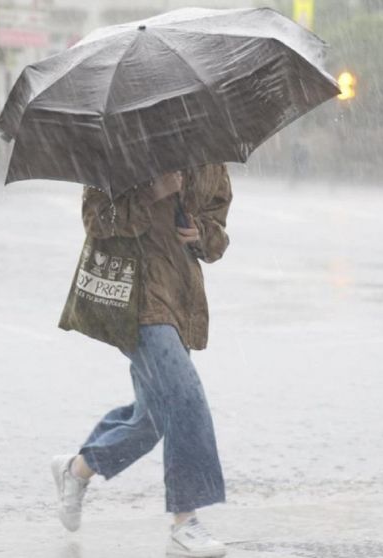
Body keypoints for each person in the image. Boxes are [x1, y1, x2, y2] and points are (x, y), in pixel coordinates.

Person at [51, 164, 233, 558]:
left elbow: (218, 230)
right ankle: (186, 521)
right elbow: (96, 219)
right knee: (185, 397)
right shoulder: (119, 149)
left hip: (181, 298)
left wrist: (202, 234)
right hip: (135, 299)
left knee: (154, 418)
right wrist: (152, 193)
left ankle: (77, 469)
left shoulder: (208, 156)